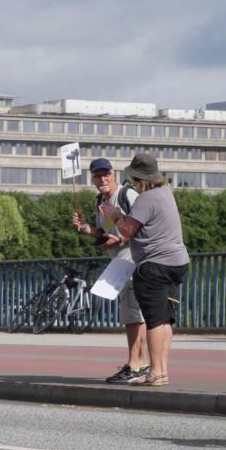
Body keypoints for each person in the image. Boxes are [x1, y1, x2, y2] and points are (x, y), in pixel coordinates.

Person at [100, 153, 189, 387]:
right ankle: (162, 371)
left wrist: (115, 215)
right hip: (177, 262)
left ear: (138, 178)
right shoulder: (166, 194)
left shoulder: (146, 198)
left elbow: (127, 231)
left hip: (154, 265)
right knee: (166, 319)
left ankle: (156, 373)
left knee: (154, 321)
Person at [72, 157, 148, 382]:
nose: (102, 178)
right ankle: (139, 364)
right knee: (131, 315)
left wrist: (121, 239)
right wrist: (85, 228)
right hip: (121, 262)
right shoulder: (100, 200)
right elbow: (104, 232)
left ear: (113, 174)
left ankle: (135, 366)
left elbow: (144, 225)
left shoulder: (126, 195)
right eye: (98, 175)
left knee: (134, 314)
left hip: (134, 259)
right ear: (92, 179)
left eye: (106, 174)